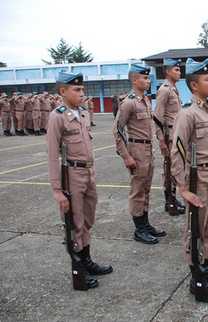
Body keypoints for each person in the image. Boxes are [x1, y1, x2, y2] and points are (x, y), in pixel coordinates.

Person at [171, 58, 208, 302]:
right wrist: (182, 188)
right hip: (197, 179)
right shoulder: (188, 114)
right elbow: (177, 150)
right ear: (194, 85)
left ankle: (205, 270)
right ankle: (197, 280)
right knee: (195, 231)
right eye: (207, 79)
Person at [47, 71, 113, 290]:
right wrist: (57, 190)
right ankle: (79, 269)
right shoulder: (57, 116)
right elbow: (52, 155)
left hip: (89, 173)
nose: (81, 93)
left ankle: (86, 260)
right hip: (71, 176)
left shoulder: (82, 114)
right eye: (76, 89)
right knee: (75, 223)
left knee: (88, 220)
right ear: (63, 91)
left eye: (82, 89)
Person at [113, 64, 166, 245]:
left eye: (148, 77)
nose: (148, 80)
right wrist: (126, 156)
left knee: (146, 189)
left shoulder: (145, 100)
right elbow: (118, 130)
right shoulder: (129, 102)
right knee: (137, 191)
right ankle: (139, 229)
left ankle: (145, 224)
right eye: (144, 78)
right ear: (135, 80)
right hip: (136, 151)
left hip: (147, 150)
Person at [154, 58, 186, 216]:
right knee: (169, 170)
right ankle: (170, 202)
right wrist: (161, 140)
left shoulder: (174, 89)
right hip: (169, 136)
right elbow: (158, 117)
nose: (179, 72)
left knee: (176, 169)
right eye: (176, 69)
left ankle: (173, 199)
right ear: (167, 72)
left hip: (176, 135)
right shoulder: (165, 89)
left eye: (179, 70)